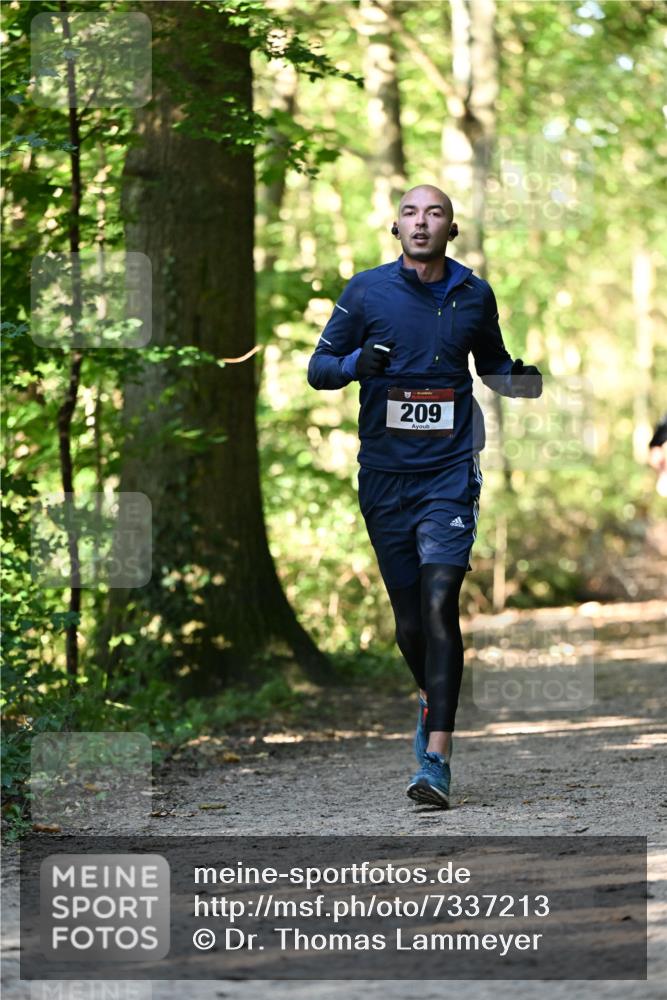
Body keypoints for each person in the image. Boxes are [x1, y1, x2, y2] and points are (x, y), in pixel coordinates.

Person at [307, 184, 542, 808]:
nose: (421, 222)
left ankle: (436, 759)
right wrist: (358, 363)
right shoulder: (366, 292)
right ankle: (430, 696)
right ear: (396, 227)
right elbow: (318, 368)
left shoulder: (474, 293)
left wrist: (521, 380)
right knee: (409, 622)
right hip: (385, 476)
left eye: (434, 213)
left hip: (448, 472)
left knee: (439, 606)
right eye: (410, 212)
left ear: (450, 229)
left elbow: (491, 364)